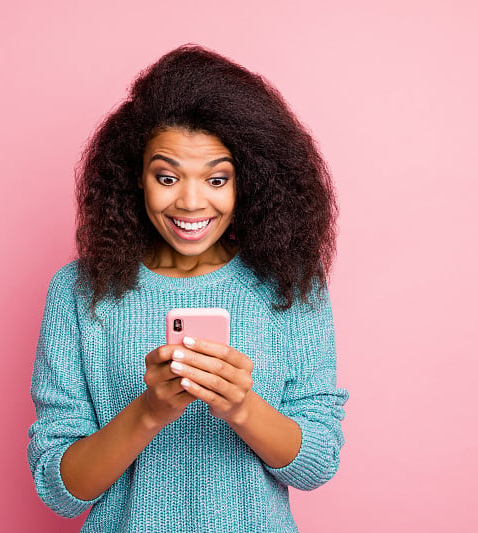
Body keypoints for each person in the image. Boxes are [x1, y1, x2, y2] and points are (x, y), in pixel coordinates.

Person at [27, 44, 348, 533]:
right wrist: (150, 411)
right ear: (136, 176)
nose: (191, 202)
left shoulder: (290, 286)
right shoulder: (79, 292)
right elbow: (60, 490)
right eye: (167, 176)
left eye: (217, 179)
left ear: (251, 182)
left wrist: (242, 407)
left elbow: (317, 462)